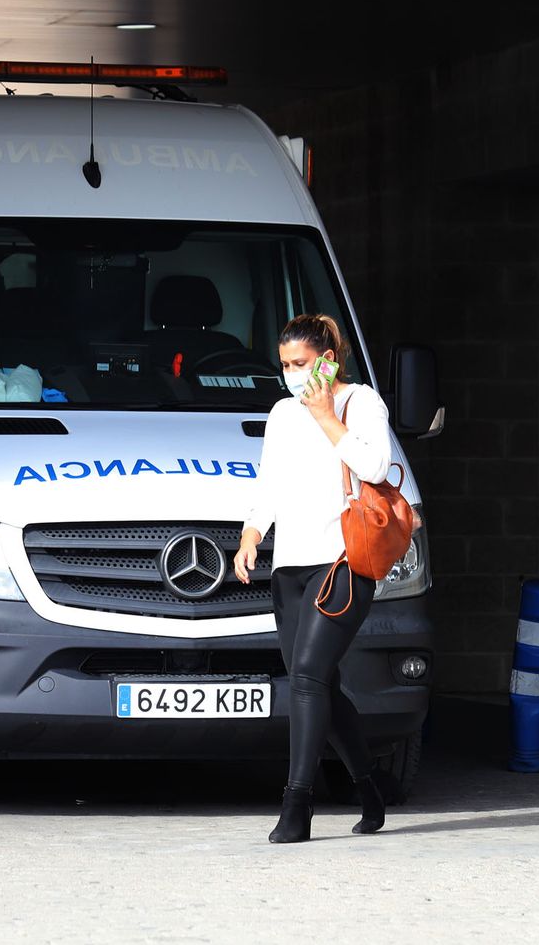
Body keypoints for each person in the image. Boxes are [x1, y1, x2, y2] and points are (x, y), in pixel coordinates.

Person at [234, 313, 393, 844]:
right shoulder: (282, 413)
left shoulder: (360, 402)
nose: (292, 376)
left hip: (343, 561)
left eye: (300, 364)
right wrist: (253, 531)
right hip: (290, 567)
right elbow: (270, 480)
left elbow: (374, 466)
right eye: (284, 366)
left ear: (328, 360)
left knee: (305, 678)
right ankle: (368, 787)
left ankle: (296, 805)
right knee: (320, 684)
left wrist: (327, 415)